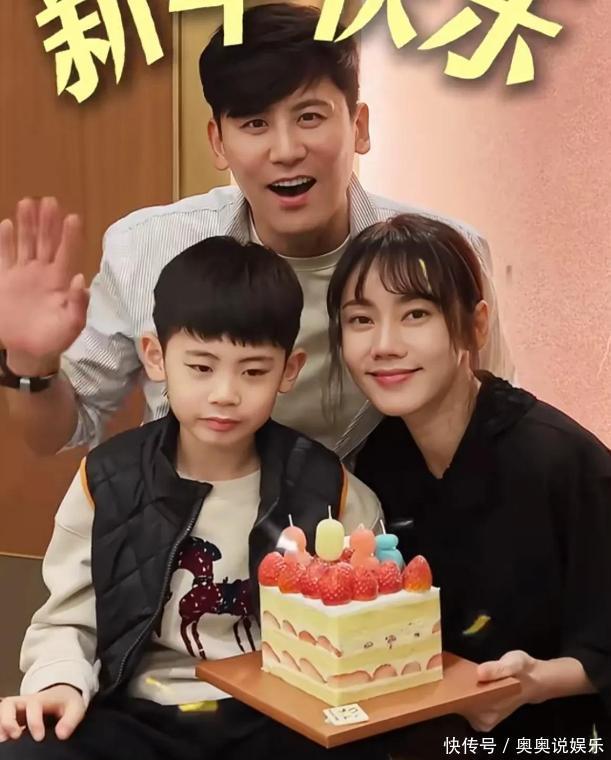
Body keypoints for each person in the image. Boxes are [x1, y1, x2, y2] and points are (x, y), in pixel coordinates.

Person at [0, 3, 513, 462]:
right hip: (195, 530)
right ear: (218, 143)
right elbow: (61, 430)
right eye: (254, 125)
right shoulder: (147, 249)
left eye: (309, 116)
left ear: (358, 127)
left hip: (378, 532)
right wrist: (30, 363)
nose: (286, 150)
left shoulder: (445, 254)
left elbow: (491, 416)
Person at [0, 237, 387, 760]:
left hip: (278, 716)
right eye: (201, 367)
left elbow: (368, 621)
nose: (225, 393)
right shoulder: (108, 479)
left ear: (289, 370)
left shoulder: (329, 489)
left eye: (253, 371)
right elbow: (69, 619)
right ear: (156, 356)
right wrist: (58, 683)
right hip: (141, 715)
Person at [325, 214, 611, 755]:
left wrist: (537, 682)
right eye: (360, 320)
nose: (384, 345)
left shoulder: (559, 460)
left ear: (475, 326)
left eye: (415, 314)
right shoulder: (379, 460)